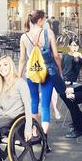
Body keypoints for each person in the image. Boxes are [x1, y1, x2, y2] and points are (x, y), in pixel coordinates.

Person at [17, 10, 63, 151]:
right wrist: (60, 72)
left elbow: (22, 59)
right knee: (45, 106)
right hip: (47, 73)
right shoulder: (48, 33)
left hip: (31, 74)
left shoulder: (24, 37)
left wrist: (18, 77)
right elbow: (56, 56)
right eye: (44, 19)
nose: (44, 22)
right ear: (40, 20)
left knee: (34, 102)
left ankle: (35, 133)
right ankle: (44, 140)